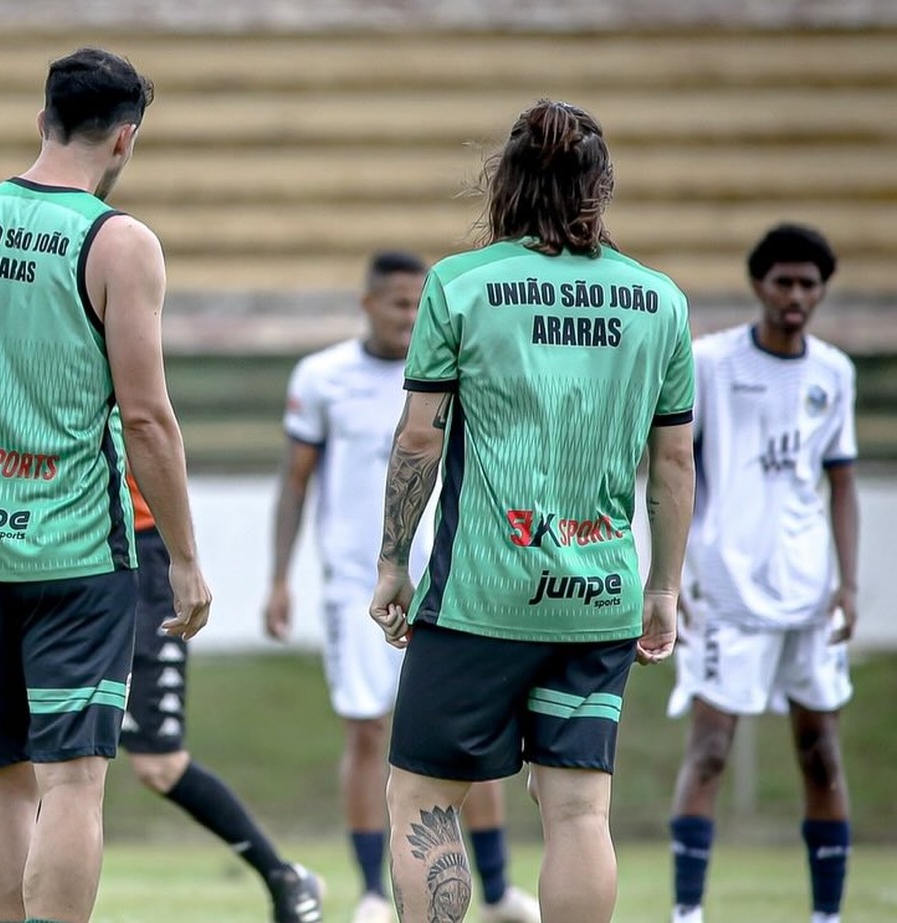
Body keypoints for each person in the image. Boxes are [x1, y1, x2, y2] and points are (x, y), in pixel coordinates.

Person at [0, 48, 211, 923]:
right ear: (125, 139)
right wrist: (183, 557)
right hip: (78, 556)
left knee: (0, 786)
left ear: (43, 121)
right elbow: (146, 419)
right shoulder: (118, 241)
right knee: (73, 782)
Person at [368, 99, 696, 923]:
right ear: (602, 186)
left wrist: (392, 560)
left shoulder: (460, 285)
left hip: (484, 593)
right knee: (580, 810)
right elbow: (676, 459)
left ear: (504, 183)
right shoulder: (659, 303)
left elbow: (419, 438)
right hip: (601, 596)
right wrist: (664, 586)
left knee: (422, 797)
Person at [264, 251, 541, 923]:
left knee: (472, 737)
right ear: (368, 305)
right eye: (398, 304)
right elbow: (296, 480)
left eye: (422, 305)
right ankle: (368, 890)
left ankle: (498, 889)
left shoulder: (461, 373)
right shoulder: (323, 377)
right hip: (358, 583)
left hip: (456, 580)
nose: (411, 316)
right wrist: (279, 577)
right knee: (367, 733)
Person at [666, 225, 858, 923]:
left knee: (820, 752)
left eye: (809, 283)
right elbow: (671, 467)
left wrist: (849, 582)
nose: (796, 296)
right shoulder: (711, 362)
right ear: (758, 285)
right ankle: (687, 911)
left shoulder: (833, 372)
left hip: (808, 594)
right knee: (711, 747)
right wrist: (672, 574)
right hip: (727, 591)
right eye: (784, 282)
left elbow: (840, 483)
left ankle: (827, 913)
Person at [121, 474, 323, 923]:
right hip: (49, 552)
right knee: (37, 757)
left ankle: (283, 877)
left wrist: (185, 559)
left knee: (160, 764)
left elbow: (151, 428)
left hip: (138, 555)